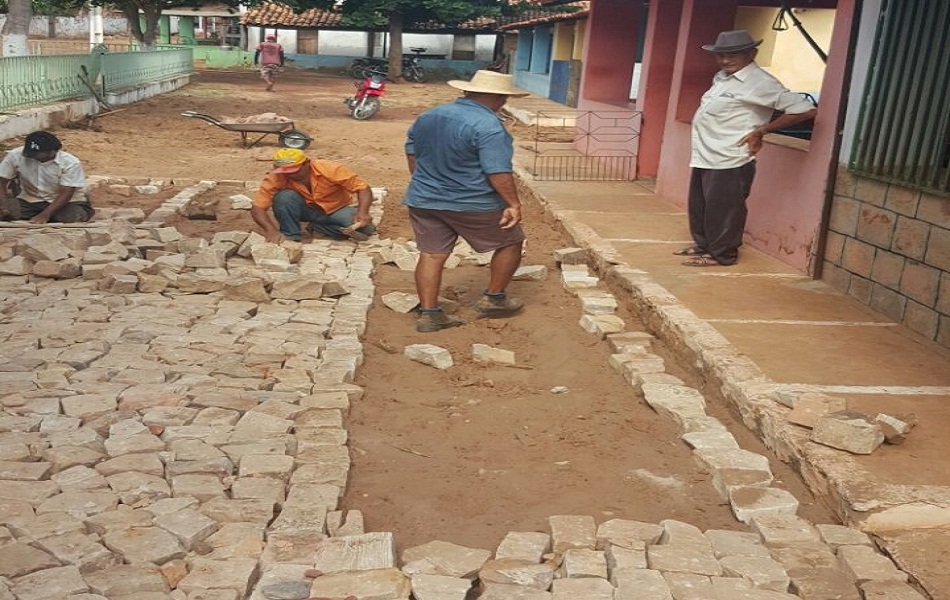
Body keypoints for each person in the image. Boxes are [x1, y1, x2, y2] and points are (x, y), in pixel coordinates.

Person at [403, 70, 529, 333]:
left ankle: (429, 314)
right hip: (472, 202)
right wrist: (513, 204)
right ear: (499, 98)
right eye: (503, 98)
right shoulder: (489, 126)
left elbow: (412, 152)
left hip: (424, 198)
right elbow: (497, 170)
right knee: (511, 240)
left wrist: (425, 182)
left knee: (431, 254)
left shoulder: (429, 116)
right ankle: (494, 299)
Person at [678, 29, 817, 267]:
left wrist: (762, 130)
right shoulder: (721, 77)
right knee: (701, 204)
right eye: (721, 55)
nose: (725, 60)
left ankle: (722, 255)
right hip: (706, 153)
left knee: (725, 208)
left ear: (752, 54)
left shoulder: (760, 82)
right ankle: (704, 245)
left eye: (734, 54)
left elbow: (804, 109)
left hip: (731, 157)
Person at [251, 147, 376, 243]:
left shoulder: (329, 168)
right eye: (285, 171)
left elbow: (363, 188)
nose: (290, 175)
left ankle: (317, 228)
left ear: (307, 163)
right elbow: (258, 208)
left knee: (367, 229)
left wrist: (363, 212)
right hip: (306, 210)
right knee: (284, 197)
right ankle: (291, 235)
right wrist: (271, 230)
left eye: (294, 171)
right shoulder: (276, 176)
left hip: (336, 209)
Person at [0, 131, 94, 224]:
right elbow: (2, 181)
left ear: (53, 151)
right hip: (30, 200)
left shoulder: (71, 163)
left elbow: (66, 193)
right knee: (7, 212)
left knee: (72, 216)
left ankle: (48, 215)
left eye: (38, 155)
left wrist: (45, 215)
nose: (33, 158)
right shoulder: (15, 155)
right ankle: (44, 216)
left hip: (66, 203)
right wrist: (3, 206)